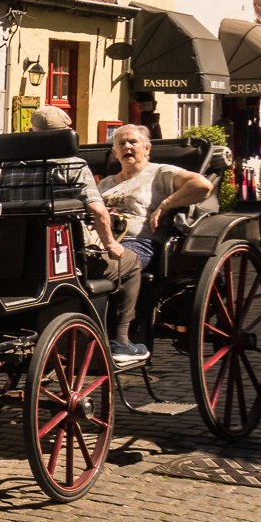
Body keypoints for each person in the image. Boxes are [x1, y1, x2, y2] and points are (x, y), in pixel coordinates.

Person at [22, 106, 142, 365]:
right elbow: (98, 211)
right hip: (63, 261)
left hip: (21, 260)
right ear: (65, 134)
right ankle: (121, 339)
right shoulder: (72, 164)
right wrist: (111, 244)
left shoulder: (12, 165)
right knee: (131, 263)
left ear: (32, 133)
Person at [98, 123, 214, 361]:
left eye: (133, 142)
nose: (127, 147)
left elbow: (202, 186)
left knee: (116, 262)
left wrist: (166, 204)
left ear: (147, 149)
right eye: (121, 143)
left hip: (142, 242)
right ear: (115, 153)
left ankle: (121, 337)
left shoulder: (160, 173)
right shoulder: (106, 183)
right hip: (103, 241)